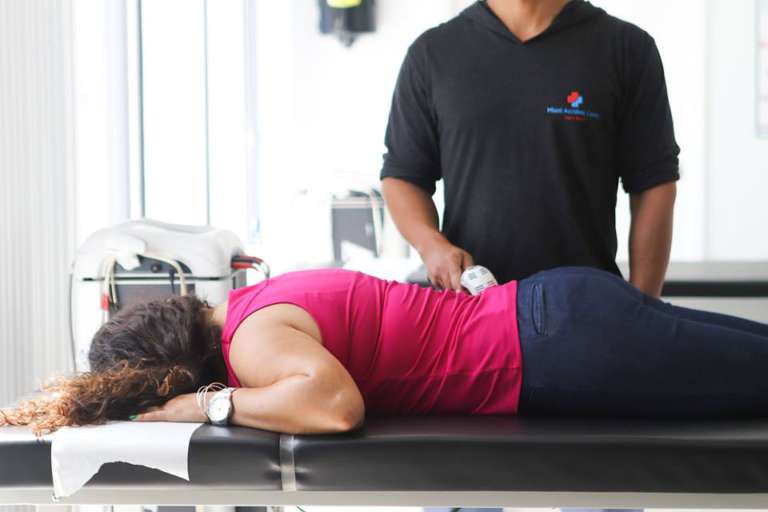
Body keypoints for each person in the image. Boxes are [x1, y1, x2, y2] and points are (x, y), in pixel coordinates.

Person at [4, 267, 768, 437]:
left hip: (559, 346)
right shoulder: (252, 304)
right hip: (558, 320)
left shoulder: (253, 340)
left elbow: (336, 408)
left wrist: (201, 405)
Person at [380, 0, 679, 296]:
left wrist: (643, 306)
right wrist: (431, 243)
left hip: (583, 312)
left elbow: (654, 184)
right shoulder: (433, 54)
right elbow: (404, 176)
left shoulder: (627, 50)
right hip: (470, 311)